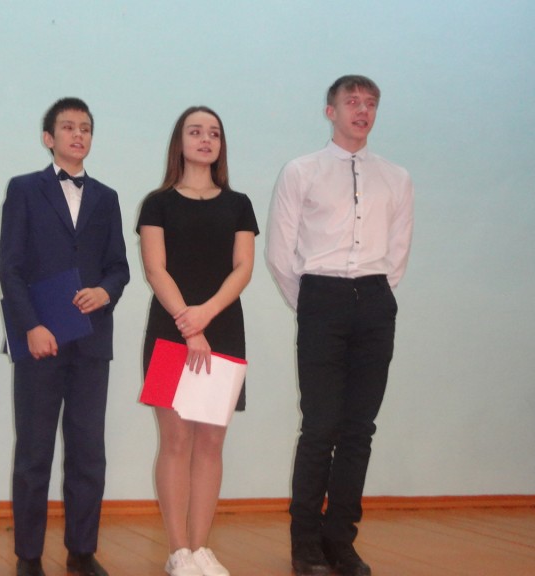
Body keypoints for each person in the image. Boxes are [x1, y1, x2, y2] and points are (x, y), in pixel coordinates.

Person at [265, 75, 414, 576]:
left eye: (370, 103)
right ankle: (305, 542)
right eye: (352, 102)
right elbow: (280, 252)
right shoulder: (301, 171)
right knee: (320, 426)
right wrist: (313, 303)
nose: (362, 110)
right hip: (321, 298)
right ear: (331, 111)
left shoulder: (397, 178)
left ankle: (340, 540)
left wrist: (372, 298)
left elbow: (397, 254)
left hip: (374, 300)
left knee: (359, 430)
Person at [0, 97, 130, 576]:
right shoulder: (24, 189)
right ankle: (28, 556)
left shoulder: (107, 197)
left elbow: (119, 267)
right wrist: (31, 326)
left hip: (91, 341)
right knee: (34, 452)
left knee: (88, 452)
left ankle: (82, 551)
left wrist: (105, 291)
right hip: (40, 340)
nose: (78, 135)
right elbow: (10, 268)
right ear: (48, 138)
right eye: (69, 127)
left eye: (86, 128)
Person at [137, 106, 258, 576]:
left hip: (223, 328)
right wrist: (189, 325)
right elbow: (155, 269)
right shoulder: (157, 203)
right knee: (175, 441)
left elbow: (243, 268)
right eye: (196, 132)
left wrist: (205, 315)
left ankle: (202, 548)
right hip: (170, 329)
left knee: (210, 443)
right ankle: (178, 552)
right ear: (180, 141)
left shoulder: (239, 203)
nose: (206, 140)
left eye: (214, 133)